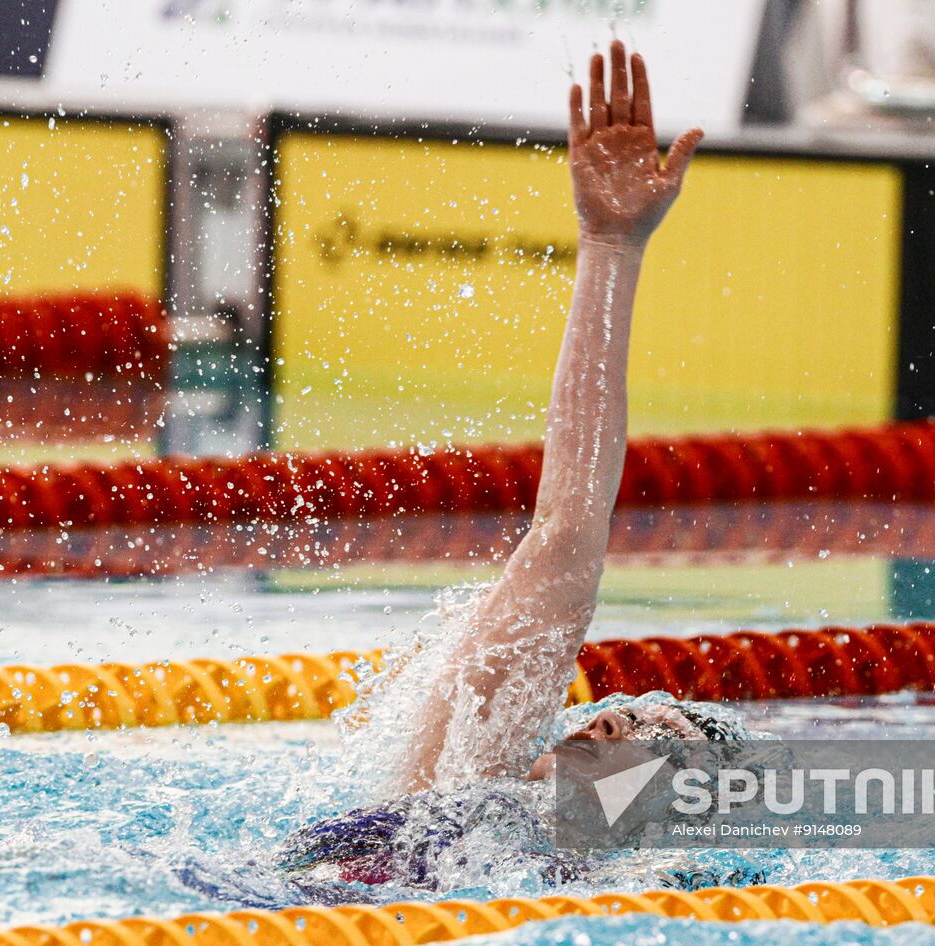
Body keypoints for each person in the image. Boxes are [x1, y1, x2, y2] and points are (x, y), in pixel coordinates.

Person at [184, 43, 770, 906]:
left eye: (661, 746)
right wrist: (609, 247)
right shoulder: (468, 782)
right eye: (635, 711)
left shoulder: (559, 870)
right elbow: (564, 539)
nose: (616, 718)